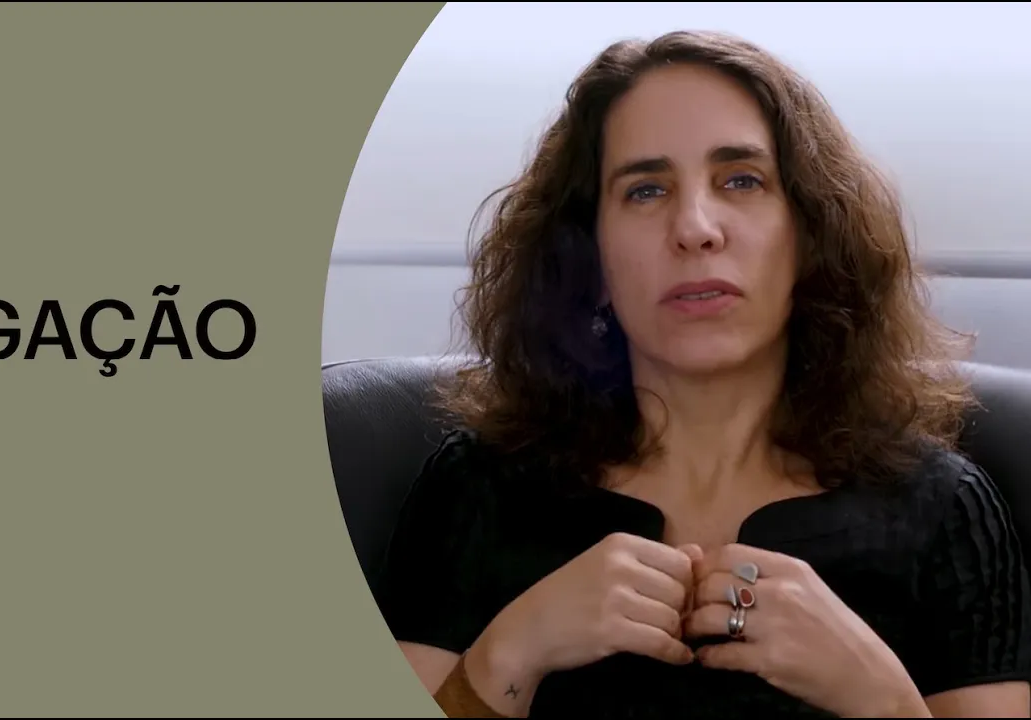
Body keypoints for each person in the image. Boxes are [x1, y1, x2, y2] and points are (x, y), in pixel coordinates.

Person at [371, 29, 1031, 718]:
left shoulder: (944, 512)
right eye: (646, 190)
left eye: (741, 180)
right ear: (590, 259)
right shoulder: (477, 489)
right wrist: (510, 652)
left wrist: (882, 700)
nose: (694, 227)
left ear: (811, 235)